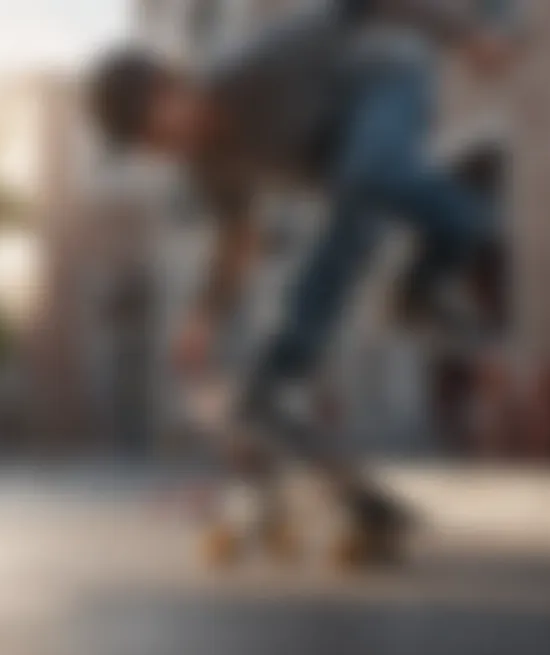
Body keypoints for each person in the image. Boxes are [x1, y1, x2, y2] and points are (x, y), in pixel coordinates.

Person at [88, 0, 514, 556]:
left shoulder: (258, 64)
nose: (168, 151)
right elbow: (237, 240)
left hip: (390, 77)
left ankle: (426, 281)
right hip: (352, 168)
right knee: (343, 240)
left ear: (173, 85)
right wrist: (204, 315)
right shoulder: (205, 165)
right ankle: (275, 384)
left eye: (159, 130)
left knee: (376, 176)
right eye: (152, 149)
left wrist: (467, 33)